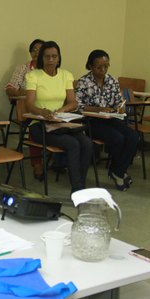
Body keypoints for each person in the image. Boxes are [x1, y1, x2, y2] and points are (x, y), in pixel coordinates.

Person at [25, 41, 93, 192]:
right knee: (72, 144)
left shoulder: (66, 75)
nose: (50, 60)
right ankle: (77, 189)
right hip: (40, 125)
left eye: (54, 56)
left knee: (87, 143)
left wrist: (60, 111)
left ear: (59, 58)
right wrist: (42, 112)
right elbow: (29, 104)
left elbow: (73, 102)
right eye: (47, 56)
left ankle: (80, 184)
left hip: (60, 123)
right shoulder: (33, 76)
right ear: (42, 58)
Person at [75, 49, 139, 191]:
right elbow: (77, 105)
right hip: (91, 121)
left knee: (133, 136)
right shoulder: (84, 82)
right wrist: (97, 109)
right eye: (99, 67)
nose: (103, 70)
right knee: (117, 138)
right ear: (90, 66)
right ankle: (118, 172)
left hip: (110, 118)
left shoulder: (112, 80)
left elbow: (118, 101)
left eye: (106, 66)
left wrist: (120, 107)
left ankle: (117, 171)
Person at [6, 39, 44, 179]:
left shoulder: (51, 70)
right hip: (28, 107)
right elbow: (10, 89)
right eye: (34, 50)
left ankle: (59, 161)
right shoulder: (23, 68)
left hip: (48, 106)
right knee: (35, 124)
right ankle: (37, 163)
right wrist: (22, 92)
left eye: (40, 50)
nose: (37, 53)